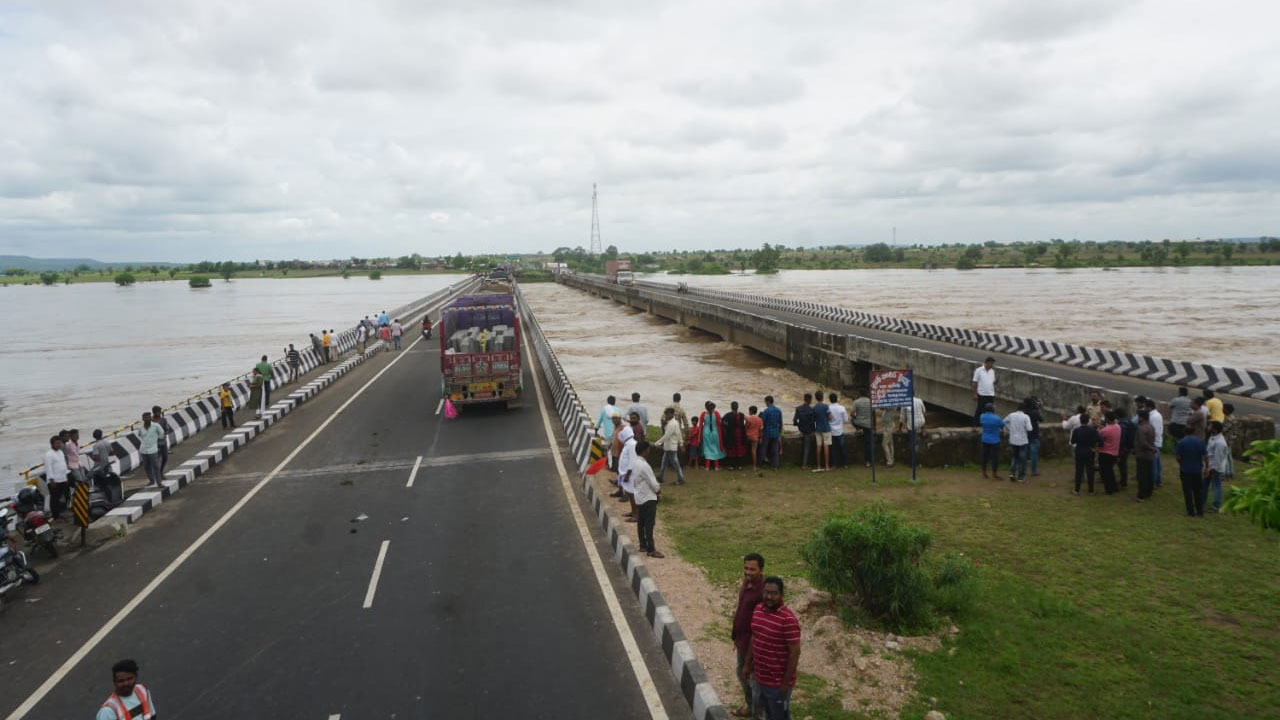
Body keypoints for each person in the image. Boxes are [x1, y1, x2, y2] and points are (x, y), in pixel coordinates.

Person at [742, 576, 801, 720]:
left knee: (778, 716)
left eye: (774, 593)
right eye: (767, 592)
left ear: (781, 595)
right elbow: (754, 638)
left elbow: (795, 653)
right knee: (764, 713)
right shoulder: (758, 610)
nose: (769, 597)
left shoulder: (788, 620)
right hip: (759, 678)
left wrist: (785, 684)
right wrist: (747, 664)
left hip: (777, 684)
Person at [731, 553, 767, 719]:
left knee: (753, 681)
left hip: (753, 647)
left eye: (752, 569)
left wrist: (749, 660)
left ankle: (758, 713)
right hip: (741, 641)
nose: (748, 572)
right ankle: (751, 707)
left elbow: (759, 628)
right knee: (741, 674)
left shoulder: (763, 593)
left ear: (761, 570)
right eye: (746, 568)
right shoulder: (747, 583)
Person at [631, 441, 664, 558]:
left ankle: (642, 545)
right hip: (648, 497)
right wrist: (659, 492)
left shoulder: (635, 463)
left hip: (639, 496)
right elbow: (653, 483)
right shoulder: (644, 465)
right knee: (649, 523)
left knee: (641, 522)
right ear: (644, 451)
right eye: (648, 449)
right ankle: (651, 549)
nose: (649, 451)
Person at [1174, 426, 1208, 517]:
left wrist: (1182, 463)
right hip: (1197, 470)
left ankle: (1190, 511)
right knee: (1198, 491)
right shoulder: (1200, 442)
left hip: (1185, 470)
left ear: (1185, 432)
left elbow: (1177, 457)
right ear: (1194, 432)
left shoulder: (1181, 442)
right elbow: (1205, 457)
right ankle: (1200, 511)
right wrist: (1206, 467)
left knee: (1187, 491)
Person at [1070, 412, 1101, 495]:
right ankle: (1091, 490)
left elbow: (1073, 441)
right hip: (1089, 451)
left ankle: (1077, 490)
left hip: (1079, 451)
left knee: (1079, 471)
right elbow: (1100, 441)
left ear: (1080, 420)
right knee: (1090, 471)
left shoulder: (1076, 430)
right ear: (1088, 421)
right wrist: (1095, 448)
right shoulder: (1092, 431)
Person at [1004, 402, 1033, 482]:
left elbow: (1004, 422)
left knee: (1014, 457)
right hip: (1023, 440)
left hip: (1013, 440)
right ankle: (1021, 476)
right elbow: (1029, 428)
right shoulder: (1026, 417)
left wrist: (1009, 429)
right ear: (1024, 409)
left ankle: (1012, 473)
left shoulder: (1011, 415)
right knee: (1022, 459)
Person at [656, 407, 686, 485]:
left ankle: (681, 479)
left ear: (672, 414)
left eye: (667, 413)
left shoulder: (672, 424)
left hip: (671, 447)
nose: (665, 415)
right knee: (664, 462)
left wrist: (657, 443)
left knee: (675, 463)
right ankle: (660, 476)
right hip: (669, 446)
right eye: (665, 413)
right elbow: (679, 434)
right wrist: (681, 443)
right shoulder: (674, 422)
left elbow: (666, 436)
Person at [43, 434, 70, 519]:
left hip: (62, 479)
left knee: (61, 498)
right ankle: (55, 517)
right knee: (54, 499)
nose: (59, 445)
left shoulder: (61, 452)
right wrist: (51, 480)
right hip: (54, 481)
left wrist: (66, 476)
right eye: (57, 443)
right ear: (52, 444)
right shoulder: (49, 454)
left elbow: (63, 464)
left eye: (60, 443)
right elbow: (48, 468)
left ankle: (60, 513)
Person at [137, 411, 165, 488]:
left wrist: (157, 441)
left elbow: (162, 434)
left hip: (153, 450)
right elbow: (139, 435)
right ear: (143, 419)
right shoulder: (140, 428)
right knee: (146, 466)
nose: (147, 419)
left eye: (149, 417)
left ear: (151, 418)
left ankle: (159, 482)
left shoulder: (156, 426)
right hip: (143, 450)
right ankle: (151, 480)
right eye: (145, 417)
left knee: (155, 466)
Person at [1134, 409, 1157, 501]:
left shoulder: (1142, 428)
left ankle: (1141, 495)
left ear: (1142, 418)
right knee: (1148, 474)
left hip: (1142, 454)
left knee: (1142, 476)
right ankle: (1148, 492)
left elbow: (1143, 443)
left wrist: (1151, 448)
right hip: (1149, 455)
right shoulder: (1151, 427)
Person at [1205, 421, 1228, 513]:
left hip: (1215, 468)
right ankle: (1202, 501)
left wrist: (1213, 469)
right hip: (1210, 466)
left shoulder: (1220, 443)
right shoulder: (1212, 437)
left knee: (1216, 486)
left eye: (1210, 426)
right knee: (1205, 485)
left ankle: (1216, 505)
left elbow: (1218, 458)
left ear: (1215, 429)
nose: (1208, 427)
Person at [1097, 411, 1121, 494]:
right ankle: (1115, 487)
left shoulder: (1104, 430)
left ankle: (1109, 490)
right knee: (1110, 471)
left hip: (1105, 453)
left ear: (1107, 419)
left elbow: (1099, 439)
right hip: (1114, 452)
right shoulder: (1118, 427)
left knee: (1105, 473)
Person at [978, 403, 1003, 479]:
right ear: (993, 409)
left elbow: (981, 423)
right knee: (994, 457)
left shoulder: (982, 416)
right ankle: (994, 473)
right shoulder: (997, 418)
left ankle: (984, 471)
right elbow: (1002, 426)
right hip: (994, 440)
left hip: (985, 439)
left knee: (984, 456)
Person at [792, 394, 816, 470]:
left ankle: (802, 464)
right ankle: (804, 465)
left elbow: (795, 420)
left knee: (804, 447)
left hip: (801, 430)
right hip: (808, 431)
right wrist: (813, 431)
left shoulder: (798, 408)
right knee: (807, 448)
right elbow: (813, 422)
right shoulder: (811, 410)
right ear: (809, 400)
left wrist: (798, 425)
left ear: (804, 399)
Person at [723, 401, 748, 471]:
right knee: (740, 450)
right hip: (740, 434)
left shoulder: (727, 415)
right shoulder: (741, 415)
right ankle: (739, 466)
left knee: (731, 450)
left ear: (731, 407)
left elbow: (723, 424)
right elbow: (747, 422)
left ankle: (731, 466)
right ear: (738, 407)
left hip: (731, 435)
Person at [700, 401, 726, 470]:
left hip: (706, 432)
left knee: (707, 449)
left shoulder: (703, 414)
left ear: (706, 407)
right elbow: (720, 423)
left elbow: (700, 426)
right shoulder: (716, 413)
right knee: (715, 448)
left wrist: (699, 438)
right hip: (715, 432)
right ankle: (716, 467)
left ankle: (707, 466)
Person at [1145, 398, 1164, 488]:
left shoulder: (1153, 416)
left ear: (1149, 407)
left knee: (1153, 464)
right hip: (1157, 441)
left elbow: (1155, 431)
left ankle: (1154, 482)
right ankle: (1158, 480)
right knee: (1157, 463)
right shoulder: (1157, 415)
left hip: (1154, 442)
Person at [760, 396, 783, 470]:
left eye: (765, 402)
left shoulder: (766, 411)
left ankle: (761, 463)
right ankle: (775, 466)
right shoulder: (778, 410)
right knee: (775, 449)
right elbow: (780, 423)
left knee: (764, 448)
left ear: (768, 402)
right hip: (775, 432)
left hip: (767, 432)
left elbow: (763, 423)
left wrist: (761, 433)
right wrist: (779, 431)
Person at [851, 390, 874, 467]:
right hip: (869, 425)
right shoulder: (871, 401)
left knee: (852, 420)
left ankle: (859, 430)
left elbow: (851, 414)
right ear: (867, 394)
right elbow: (873, 413)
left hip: (859, 423)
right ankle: (869, 462)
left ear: (859, 394)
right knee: (868, 443)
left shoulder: (856, 402)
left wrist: (857, 417)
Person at [971, 357, 997, 423]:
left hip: (990, 394)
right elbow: (974, 382)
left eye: (992, 364)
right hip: (982, 394)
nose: (992, 365)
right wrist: (975, 393)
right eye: (991, 363)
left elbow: (992, 382)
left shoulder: (992, 371)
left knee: (989, 411)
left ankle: (986, 424)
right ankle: (976, 424)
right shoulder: (979, 370)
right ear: (987, 363)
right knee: (980, 410)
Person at [827, 394, 848, 469]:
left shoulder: (828, 408)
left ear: (830, 400)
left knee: (832, 449)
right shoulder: (842, 408)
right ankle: (845, 464)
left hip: (831, 431)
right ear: (837, 399)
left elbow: (827, 419)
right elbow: (846, 420)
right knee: (842, 448)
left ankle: (833, 465)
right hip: (840, 430)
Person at [811, 394, 831, 472]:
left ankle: (818, 465)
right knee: (826, 446)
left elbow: (813, 419)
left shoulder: (815, 408)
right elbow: (830, 417)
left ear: (816, 398)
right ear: (822, 398)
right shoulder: (826, 406)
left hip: (818, 429)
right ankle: (826, 466)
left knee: (818, 446)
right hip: (826, 428)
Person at [1024, 398, 1043, 477]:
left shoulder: (1024, 412)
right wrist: (1038, 410)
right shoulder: (1035, 412)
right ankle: (1033, 471)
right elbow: (1041, 419)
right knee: (1034, 454)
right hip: (1034, 434)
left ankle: (1022, 469)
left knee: (1024, 453)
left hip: (1025, 434)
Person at [150, 406, 171, 473]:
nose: (159, 413)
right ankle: (157, 474)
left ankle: (161, 471)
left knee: (165, 458)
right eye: (158, 412)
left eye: (160, 411)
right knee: (156, 460)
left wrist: (164, 434)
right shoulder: (150, 421)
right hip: (154, 444)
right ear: (154, 413)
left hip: (163, 443)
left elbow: (167, 429)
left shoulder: (163, 420)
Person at [1221, 403, 1237, 483]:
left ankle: (1226, 474)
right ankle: (1230, 473)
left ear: (1227, 410)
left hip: (1226, 440)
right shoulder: (1230, 417)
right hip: (1229, 439)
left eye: (1223, 408)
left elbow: (1224, 429)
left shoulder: (1229, 419)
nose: (1222, 409)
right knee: (1229, 457)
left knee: (1225, 457)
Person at [745, 406, 764, 472]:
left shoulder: (748, 418)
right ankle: (754, 466)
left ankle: (743, 463)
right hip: (755, 437)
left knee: (745, 449)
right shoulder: (759, 419)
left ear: (751, 411)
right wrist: (761, 438)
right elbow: (761, 430)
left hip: (748, 436)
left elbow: (746, 427)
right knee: (754, 451)